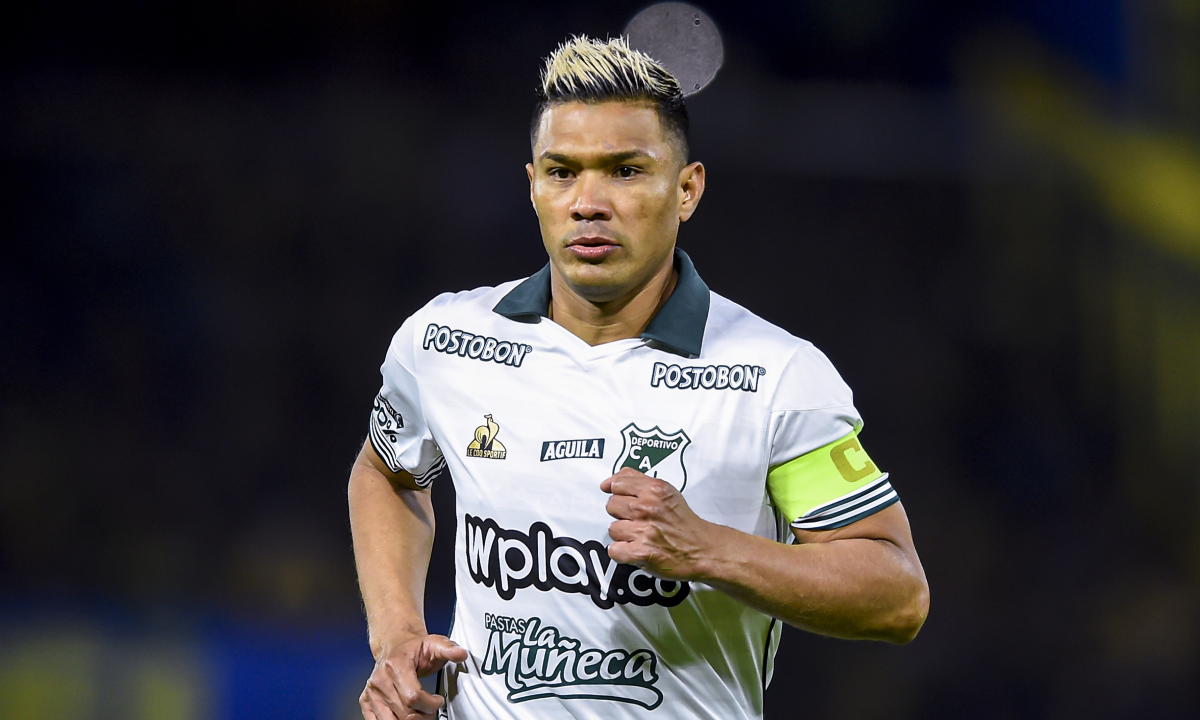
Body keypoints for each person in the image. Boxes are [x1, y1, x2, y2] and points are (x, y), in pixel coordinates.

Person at [348, 35, 929, 720]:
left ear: (687, 190)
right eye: (563, 171)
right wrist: (397, 634)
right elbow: (387, 471)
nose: (588, 202)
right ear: (532, 184)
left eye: (625, 171)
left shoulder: (774, 376)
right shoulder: (447, 341)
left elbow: (896, 595)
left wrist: (710, 549)